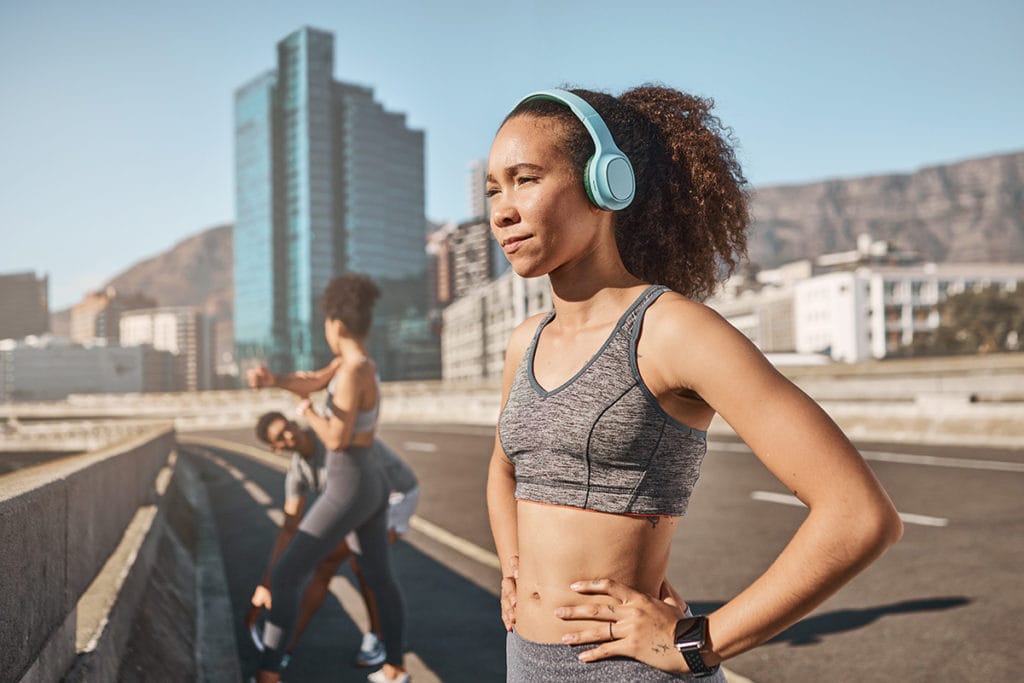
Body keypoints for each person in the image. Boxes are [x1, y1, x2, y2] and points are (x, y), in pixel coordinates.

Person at [485, 86, 904, 681]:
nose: (502, 209)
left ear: (608, 183)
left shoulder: (673, 332)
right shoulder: (523, 341)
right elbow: (505, 468)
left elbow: (860, 514)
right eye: (493, 189)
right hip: (523, 662)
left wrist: (696, 642)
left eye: (526, 179)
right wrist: (513, 568)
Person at [251, 273, 409, 683]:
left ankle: (267, 674)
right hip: (367, 481)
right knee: (379, 579)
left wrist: (307, 414)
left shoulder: (354, 370)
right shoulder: (355, 364)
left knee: (287, 575)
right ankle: (394, 667)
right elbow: (313, 380)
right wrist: (276, 382)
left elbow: (336, 439)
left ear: (336, 325)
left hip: (350, 481)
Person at [247, 410, 420, 671]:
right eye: (281, 436)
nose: (290, 433)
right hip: (363, 502)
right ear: (276, 447)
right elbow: (289, 526)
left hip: (395, 492)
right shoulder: (298, 472)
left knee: (359, 566)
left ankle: (377, 640)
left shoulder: (327, 439)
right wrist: (267, 580)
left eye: (289, 426)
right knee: (331, 565)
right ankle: (286, 647)